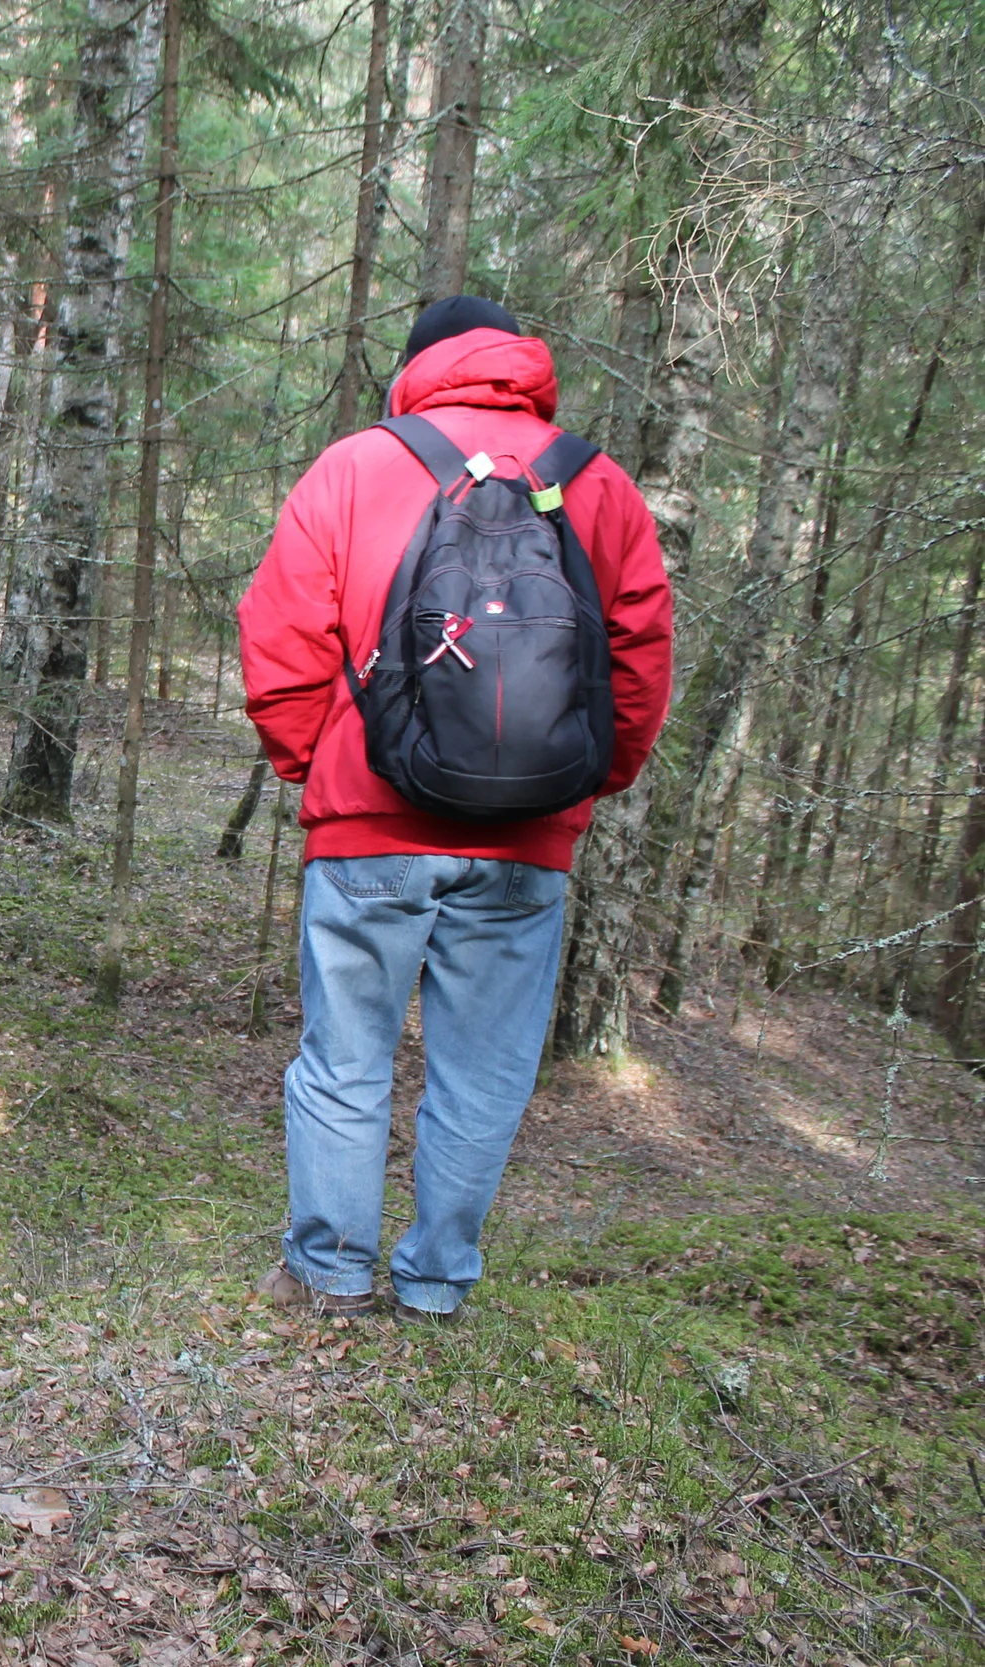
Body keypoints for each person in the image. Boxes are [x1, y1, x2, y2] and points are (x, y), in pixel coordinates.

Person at [235, 295, 673, 1322]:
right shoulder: (595, 481)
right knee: (481, 1072)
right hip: (528, 842)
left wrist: (325, 767)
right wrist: (575, 791)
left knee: (346, 1058)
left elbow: (278, 636)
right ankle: (435, 1283)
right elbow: (639, 658)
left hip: (367, 829)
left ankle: (330, 1273)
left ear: (415, 367)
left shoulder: (356, 466)